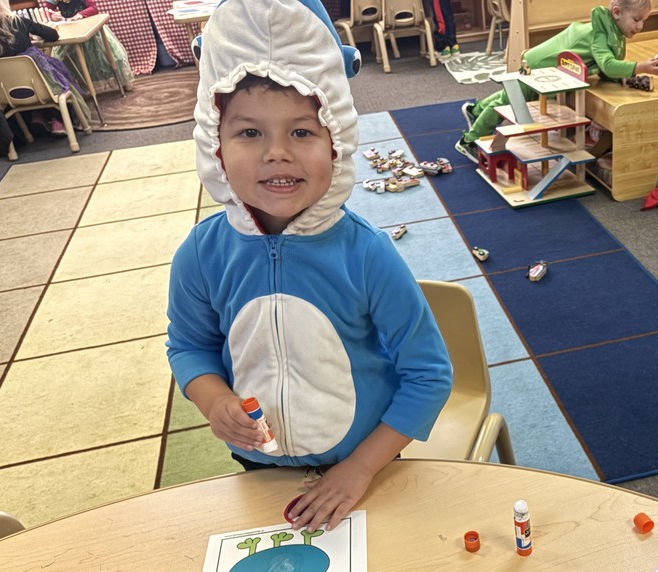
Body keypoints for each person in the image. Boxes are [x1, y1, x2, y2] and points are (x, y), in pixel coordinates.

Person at [166, 0, 453, 533]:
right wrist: (214, 400)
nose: (277, 153)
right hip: (260, 466)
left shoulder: (366, 254)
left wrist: (359, 469)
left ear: (336, 142)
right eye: (249, 133)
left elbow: (429, 375)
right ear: (215, 145)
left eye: (302, 132)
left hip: (368, 466)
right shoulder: (201, 255)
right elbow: (188, 346)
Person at [454, 0, 658, 162]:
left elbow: (601, 65)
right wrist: (639, 67)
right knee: (508, 102)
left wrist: (620, 76)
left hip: (545, 63)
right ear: (617, 13)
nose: (640, 26)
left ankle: (475, 110)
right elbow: (607, 63)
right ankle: (469, 141)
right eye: (636, 19)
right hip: (541, 67)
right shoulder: (601, 33)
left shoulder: (612, 29)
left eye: (644, 20)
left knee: (507, 95)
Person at [0, 0, 87, 135]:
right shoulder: (20, 22)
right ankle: (57, 119)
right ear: (1, 7)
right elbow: (52, 35)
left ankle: (36, 117)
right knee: (56, 81)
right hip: (41, 89)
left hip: (10, 94)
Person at [42, 0, 134, 93]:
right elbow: (46, 10)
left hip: (90, 28)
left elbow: (94, 8)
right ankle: (77, 89)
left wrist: (80, 15)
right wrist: (52, 15)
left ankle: (123, 80)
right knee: (64, 60)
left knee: (113, 56)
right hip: (70, 31)